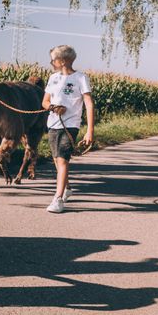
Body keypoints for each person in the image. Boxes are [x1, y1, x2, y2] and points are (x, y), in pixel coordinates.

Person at [41, 45, 94, 214]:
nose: (51, 62)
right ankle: (67, 188)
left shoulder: (81, 78)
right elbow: (45, 102)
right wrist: (53, 107)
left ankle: (57, 199)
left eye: (53, 59)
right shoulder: (52, 78)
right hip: (53, 123)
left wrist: (89, 130)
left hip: (71, 125)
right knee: (57, 160)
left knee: (63, 160)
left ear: (62, 61)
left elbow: (89, 104)